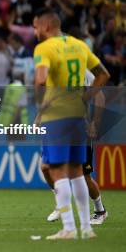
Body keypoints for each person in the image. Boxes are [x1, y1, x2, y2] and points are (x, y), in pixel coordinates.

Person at [33, 9, 110, 240]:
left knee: (57, 171)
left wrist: (41, 106)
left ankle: (68, 227)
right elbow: (103, 74)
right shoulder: (79, 46)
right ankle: (86, 228)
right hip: (78, 117)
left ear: (46, 26)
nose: (35, 31)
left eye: (36, 27)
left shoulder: (44, 48)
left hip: (58, 117)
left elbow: (40, 79)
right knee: (75, 172)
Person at [42, 69, 108, 225]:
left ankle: (100, 211)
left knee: (83, 176)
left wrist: (95, 124)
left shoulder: (81, 70)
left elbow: (100, 96)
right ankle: (60, 204)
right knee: (46, 167)